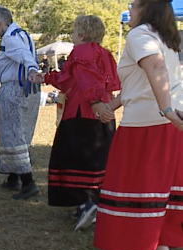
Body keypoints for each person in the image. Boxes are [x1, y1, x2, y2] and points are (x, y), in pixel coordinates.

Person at [94, 0, 183, 250]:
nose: (130, 11)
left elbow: (155, 68)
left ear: (145, 9)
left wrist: (165, 110)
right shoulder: (165, 37)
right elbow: (141, 82)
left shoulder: (139, 35)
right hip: (166, 118)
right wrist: (115, 103)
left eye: (133, 6)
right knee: (160, 185)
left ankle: (140, 247)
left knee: (135, 183)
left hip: (150, 121)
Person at [32, 16, 119, 231]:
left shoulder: (82, 52)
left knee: (74, 158)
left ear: (81, 34)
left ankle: (85, 203)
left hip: (83, 113)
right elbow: (70, 79)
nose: (72, 35)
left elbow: (87, 81)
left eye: (74, 31)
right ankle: (93, 202)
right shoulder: (104, 53)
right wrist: (45, 78)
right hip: (103, 115)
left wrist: (95, 101)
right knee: (98, 161)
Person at [0, 5, 41, 200]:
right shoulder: (23, 34)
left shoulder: (10, 38)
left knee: (12, 134)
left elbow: (24, 57)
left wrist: (33, 69)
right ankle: (13, 177)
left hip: (15, 89)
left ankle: (28, 182)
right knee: (21, 132)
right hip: (28, 89)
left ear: (0, 23)